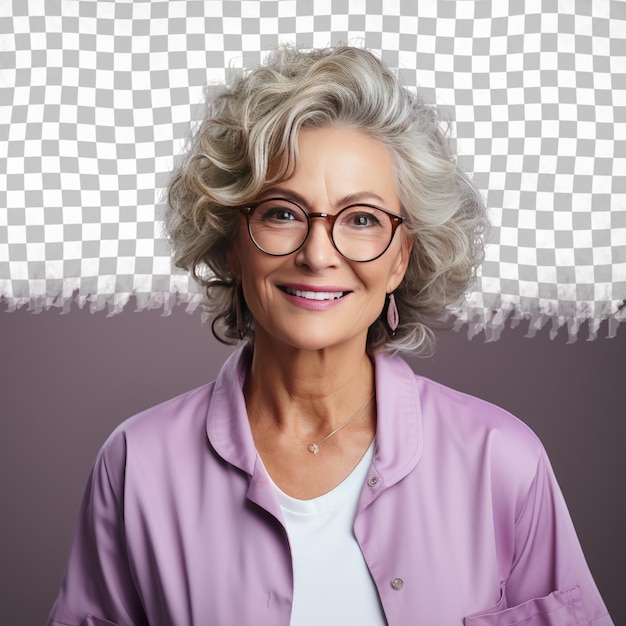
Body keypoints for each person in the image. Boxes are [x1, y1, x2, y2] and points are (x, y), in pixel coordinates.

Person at [47, 45, 613, 626]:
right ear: (231, 245)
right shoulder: (136, 463)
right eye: (282, 212)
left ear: (400, 260)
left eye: (362, 219)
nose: (318, 255)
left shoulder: (503, 461)